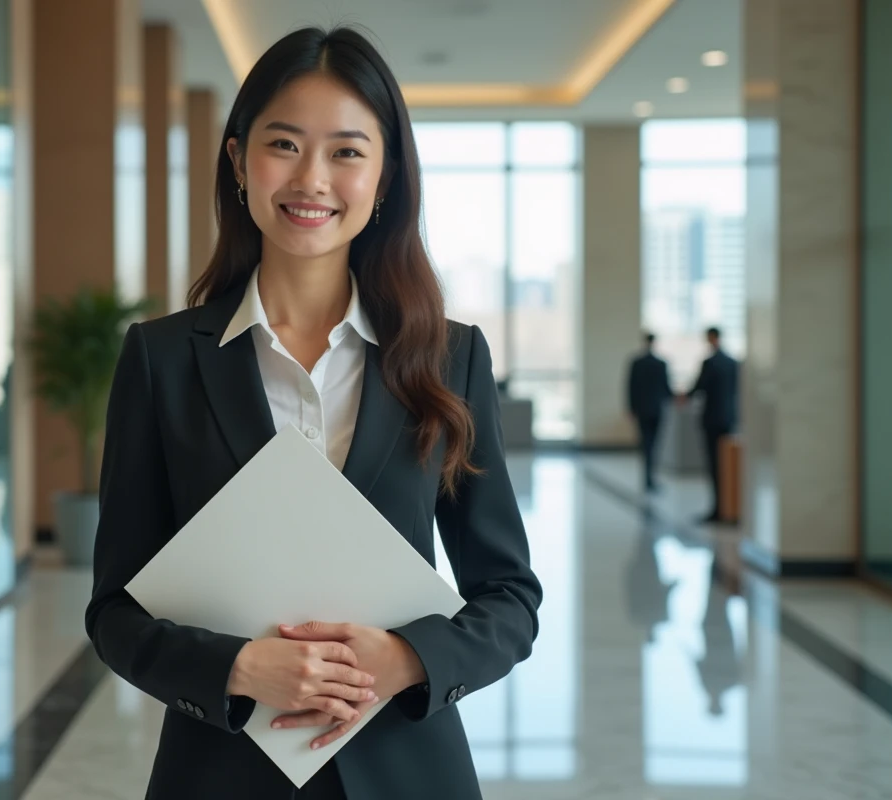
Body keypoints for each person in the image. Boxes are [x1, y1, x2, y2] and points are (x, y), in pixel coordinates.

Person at [84, 26, 542, 800]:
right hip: (220, 774)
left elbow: (511, 598)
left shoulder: (448, 357)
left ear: (388, 174)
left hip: (408, 768)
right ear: (238, 160)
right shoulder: (161, 360)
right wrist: (233, 668)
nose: (313, 179)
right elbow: (116, 610)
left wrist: (410, 658)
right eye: (285, 144)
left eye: (348, 151)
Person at [682, 327, 739, 523]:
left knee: (715, 466)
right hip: (730, 419)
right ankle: (729, 508)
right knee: (728, 466)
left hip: (712, 420)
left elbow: (699, 388)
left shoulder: (710, 363)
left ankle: (718, 509)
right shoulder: (733, 363)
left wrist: (683, 397)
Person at [626, 332, 673, 491]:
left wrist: (631, 408)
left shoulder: (637, 363)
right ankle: (650, 477)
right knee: (654, 444)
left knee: (645, 443)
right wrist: (678, 398)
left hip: (642, 409)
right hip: (657, 409)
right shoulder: (661, 363)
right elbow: (667, 388)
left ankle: (647, 477)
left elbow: (630, 387)